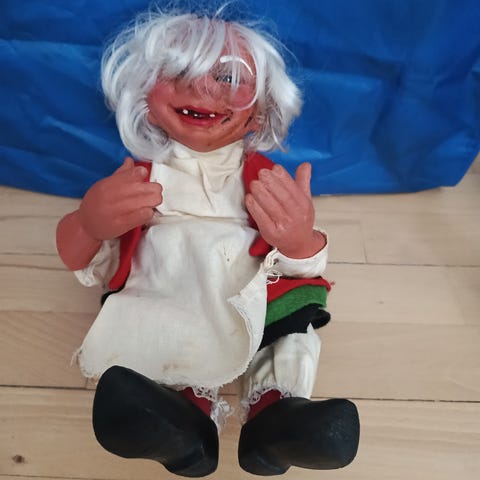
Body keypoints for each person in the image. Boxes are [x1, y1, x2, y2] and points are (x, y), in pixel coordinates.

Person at [56, 7, 359, 477]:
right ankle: (181, 421)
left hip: (254, 289)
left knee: (289, 331)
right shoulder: (138, 178)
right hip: (173, 285)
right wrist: (89, 223)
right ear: (143, 93)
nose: (201, 89)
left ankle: (279, 418)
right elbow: (82, 259)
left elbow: (305, 266)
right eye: (178, 73)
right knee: (165, 333)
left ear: (260, 110)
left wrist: (299, 240)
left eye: (228, 78)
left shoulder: (263, 180)